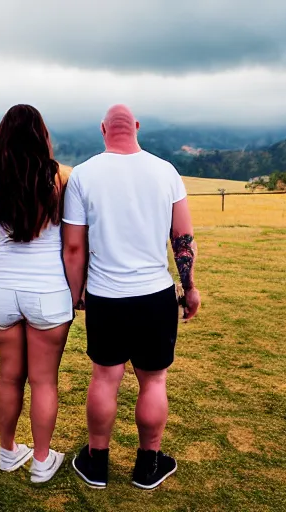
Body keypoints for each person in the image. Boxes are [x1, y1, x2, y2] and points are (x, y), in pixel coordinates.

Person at [62, 104, 201, 490]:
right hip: (155, 297)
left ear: (103, 129)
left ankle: (97, 464)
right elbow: (183, 240)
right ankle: (148, 466)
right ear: (136, 127)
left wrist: (76, 296)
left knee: (105, 379)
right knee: (154, 381)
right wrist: (189, 288)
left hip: (105, 297)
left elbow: (73, 249)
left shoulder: (83, 175)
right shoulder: (166, 171)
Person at [0, 104, 72, 483]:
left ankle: (9, 452)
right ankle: (42, 461)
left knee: (9, 376)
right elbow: (73, 241)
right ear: (41, 134)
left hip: (3, 291)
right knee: (44, 380)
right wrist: (79, 292)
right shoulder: (60, 176)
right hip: (48, 291)